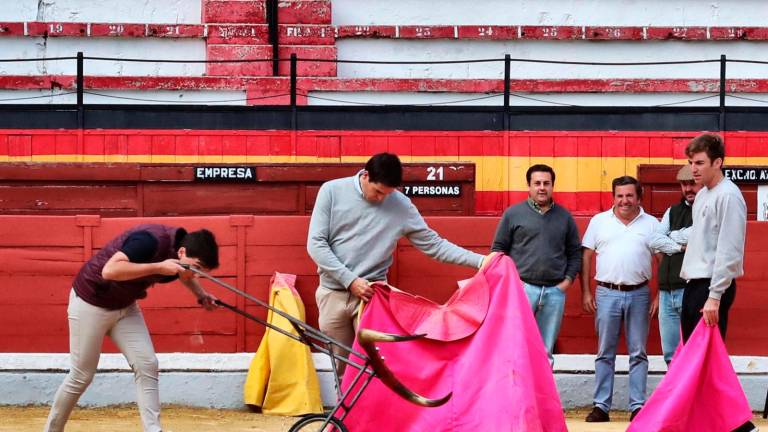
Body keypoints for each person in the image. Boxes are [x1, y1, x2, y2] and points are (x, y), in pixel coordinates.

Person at [307, 153, 489, 372]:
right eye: (378, 192)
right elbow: (316, 244)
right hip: (332, 293)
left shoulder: (401, 205)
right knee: (341, 364)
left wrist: (481, 261)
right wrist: (350, 281)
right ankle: (345, 404)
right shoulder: (331, 191)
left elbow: (434, 245)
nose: (382, 199)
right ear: (365, 176)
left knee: (377, 363)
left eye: (388, 193)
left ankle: (372, 407)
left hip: (372, 295)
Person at [44, 225, 220, 432]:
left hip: (124, 306)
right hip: (90, 302)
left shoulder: (181, 256)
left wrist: (201, 295)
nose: (196, 274)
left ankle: (153, 430)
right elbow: (110, 270)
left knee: (147, 364)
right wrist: (157, 267)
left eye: (201, 272)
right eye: (196, 267)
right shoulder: (148, 241)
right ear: (181, 252)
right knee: (81, 375)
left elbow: (184, 274)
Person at [679, 133, 756, 432]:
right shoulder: (702, 195)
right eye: (691, 163)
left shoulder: (729, 195)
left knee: (708, 359)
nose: (693, 169)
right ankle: (709, 422)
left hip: (711, 287)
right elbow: (702, 239)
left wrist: (715, 296)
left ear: (718, 162)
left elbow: (729, 248)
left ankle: (739, 425)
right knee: (696, 358)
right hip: (694, 284)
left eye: (699, 163)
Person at [581, 176, 660, 423]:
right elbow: (585, 257)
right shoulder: (599, 221)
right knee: (605, 352)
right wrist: (586, 291)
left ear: (639, 197)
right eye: (620, 196)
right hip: (606, 293)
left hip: (639, 293)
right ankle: (601, 406)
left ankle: (637, 406)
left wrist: (659, 294)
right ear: (613, 197)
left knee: (638, 352)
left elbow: (663, 260)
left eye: (629, 196)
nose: (624, 201)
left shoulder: (652, 224)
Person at [491, 164, 581, 366]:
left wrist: (566, 283)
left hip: (555, 292)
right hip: (522, 290)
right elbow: (498, 250)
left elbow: (575, 253)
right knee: (515, 346)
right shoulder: (513, 214)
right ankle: (516, 397)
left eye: (546, 183)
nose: (542, 188)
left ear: (552, 186)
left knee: (545, 351)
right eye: (537, 183)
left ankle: (541, 398)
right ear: (529, 187)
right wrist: (511, 285)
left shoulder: (564, 217)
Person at [648, 164, 700, 364]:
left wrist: (671, 235)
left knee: (691, 352)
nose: (688, 189)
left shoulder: (706, 208)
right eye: (684, 184)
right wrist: (679, 247)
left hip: (689, 288)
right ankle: (679, 396)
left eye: (692, 183)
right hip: (666, 291)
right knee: (670, 354)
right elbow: (653, 241)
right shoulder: (673, 210)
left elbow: (695, 235)